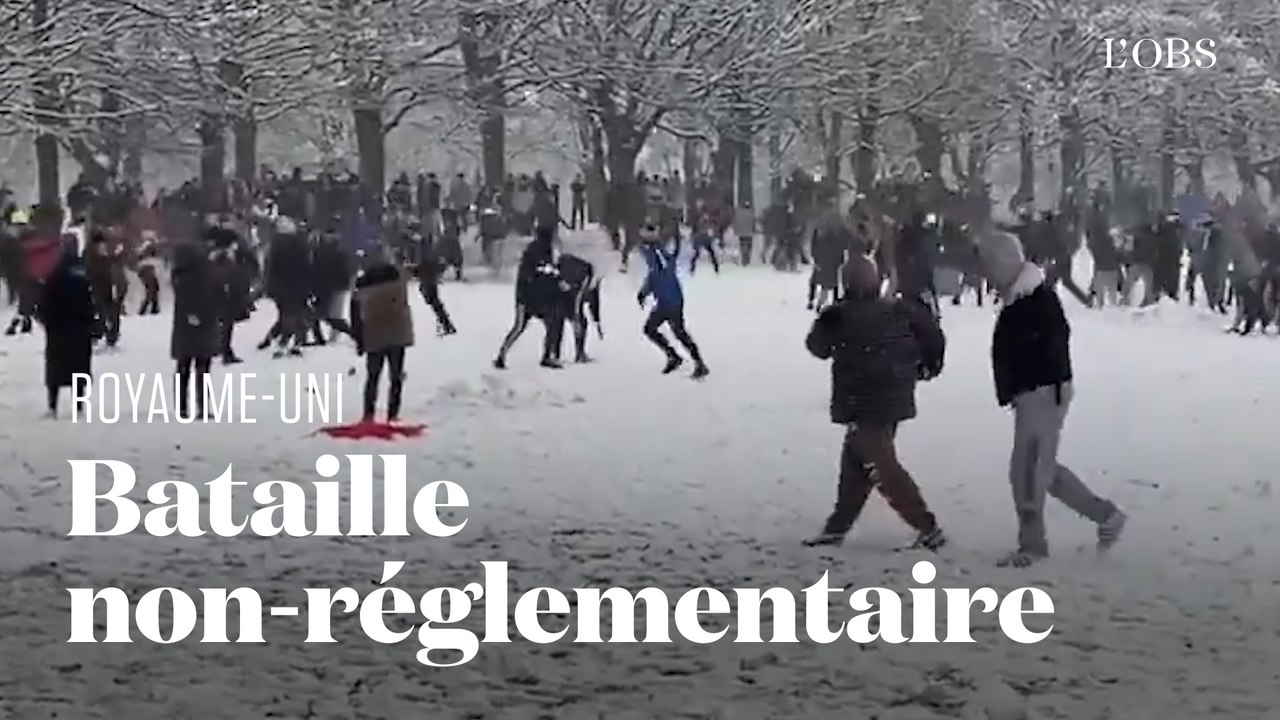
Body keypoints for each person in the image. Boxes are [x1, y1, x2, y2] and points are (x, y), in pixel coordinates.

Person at [977, 229, 1127, 567]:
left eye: (988, 265)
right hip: (1036, 391)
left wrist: (1030, 384)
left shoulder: (1034, 298)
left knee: (1027, 471)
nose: (985, 274)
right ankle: (1106, 516)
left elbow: (1051, 344)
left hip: (1043, 392)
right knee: (1042, 468)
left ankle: (1033, 547)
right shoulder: (1022, 295)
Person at [802, 255, 947, 549]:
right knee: (857, 459)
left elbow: (816, 347)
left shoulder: (838, 316)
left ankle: (927, 526)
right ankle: (837, 527)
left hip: (864, 400)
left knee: (881, 466)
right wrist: (927, 367)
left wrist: (830, 316)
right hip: (892, 396)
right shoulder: (901, 311)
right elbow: (934, 338)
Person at [637, 223, 709, 378]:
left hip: (670, 299)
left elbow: (662, 272)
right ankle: (681, 359)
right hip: (668, 298)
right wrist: (645, 291)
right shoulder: (653, 251)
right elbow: (655, 274)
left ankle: (688, 361)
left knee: (665, 330)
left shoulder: (657, 252)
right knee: (667, 330)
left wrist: (645, 290)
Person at [350, 250, 414, 423]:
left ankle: (368, 414)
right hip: (397, 332)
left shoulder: (361, 284)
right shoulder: (398, 277)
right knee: (396, 376)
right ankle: (393, 414)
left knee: (372, 377)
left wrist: (359, 339)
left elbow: (355, 314)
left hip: (373, 333)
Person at [493, 225, 567, 369]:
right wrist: (558, 284)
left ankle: (502, 355)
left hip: (528, 297)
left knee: (519, 327)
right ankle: (546, 357)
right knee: (550, 325)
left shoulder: (535, 250)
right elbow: (543, 274)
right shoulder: (540, 252)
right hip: (531, 298)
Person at [39, 249, 96, 418]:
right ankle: (79, 406)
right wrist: (90, 324)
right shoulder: (82, 280)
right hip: (79, 331)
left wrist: (47, 323)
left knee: (55, 371)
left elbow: (44, 305)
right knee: (79, 370)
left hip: (57, 332)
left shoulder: (52, 279)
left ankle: (52, 405)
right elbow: (89, 305)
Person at [169, 240, 219, 419]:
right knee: (202, 368)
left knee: (183, 367)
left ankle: (182, 406)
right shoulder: (201, 273)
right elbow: (208, 295)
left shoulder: (179, 276)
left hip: (184, 328)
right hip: (201, 324)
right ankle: (202, 406)